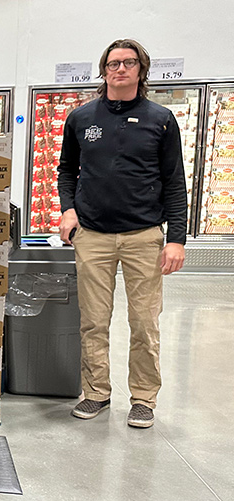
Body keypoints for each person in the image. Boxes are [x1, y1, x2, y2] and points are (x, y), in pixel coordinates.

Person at [59, 39, 186, 429]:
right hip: (92, 235)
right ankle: (96, 392)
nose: (120, 69)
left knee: (144, 323)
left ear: (140, 70)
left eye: (129, 63)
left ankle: (144, 398)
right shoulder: (81, 118)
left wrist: (176, 238)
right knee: (93, 321)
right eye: (113, 63)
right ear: (104, 70)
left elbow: (174, 182)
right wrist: (68, 210)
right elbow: (66, 171)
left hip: (144, 236)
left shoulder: (160, 119)